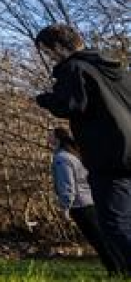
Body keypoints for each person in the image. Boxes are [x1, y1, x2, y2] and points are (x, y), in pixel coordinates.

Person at [34, 24, 131, 274]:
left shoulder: (74, 68)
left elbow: (69, 104)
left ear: (58, 47)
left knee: (114, 224)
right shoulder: (115, 69)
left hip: (110, 157)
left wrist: (44, 99)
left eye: (47, 52)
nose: (49, 58)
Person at [50, 127, 119, 275]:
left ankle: (116, 271)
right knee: (103, 239)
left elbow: (67, 185)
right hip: (92, 201)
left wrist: (65, 207)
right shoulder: (75, 154)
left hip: (80, 206)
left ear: (57, 138)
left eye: (50, 136)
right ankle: (118, 269)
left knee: (98, 241)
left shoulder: (61, 158)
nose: (48, 139)